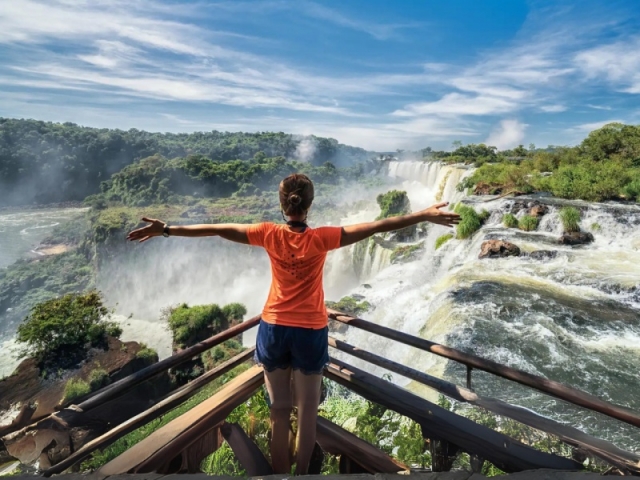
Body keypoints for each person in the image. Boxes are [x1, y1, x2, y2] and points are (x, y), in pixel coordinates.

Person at [127, 173, 460, 475]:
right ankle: (301, 475)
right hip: (310, 331)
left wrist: (166, 229)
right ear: (310, 204)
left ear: (282, 203)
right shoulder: (323, 238)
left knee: (279, 412)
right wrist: (424, 215)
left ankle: (279, 475)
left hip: (273, 328)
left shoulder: (267, 233)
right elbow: (377, 226)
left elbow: (216, 229)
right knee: (307, 414)